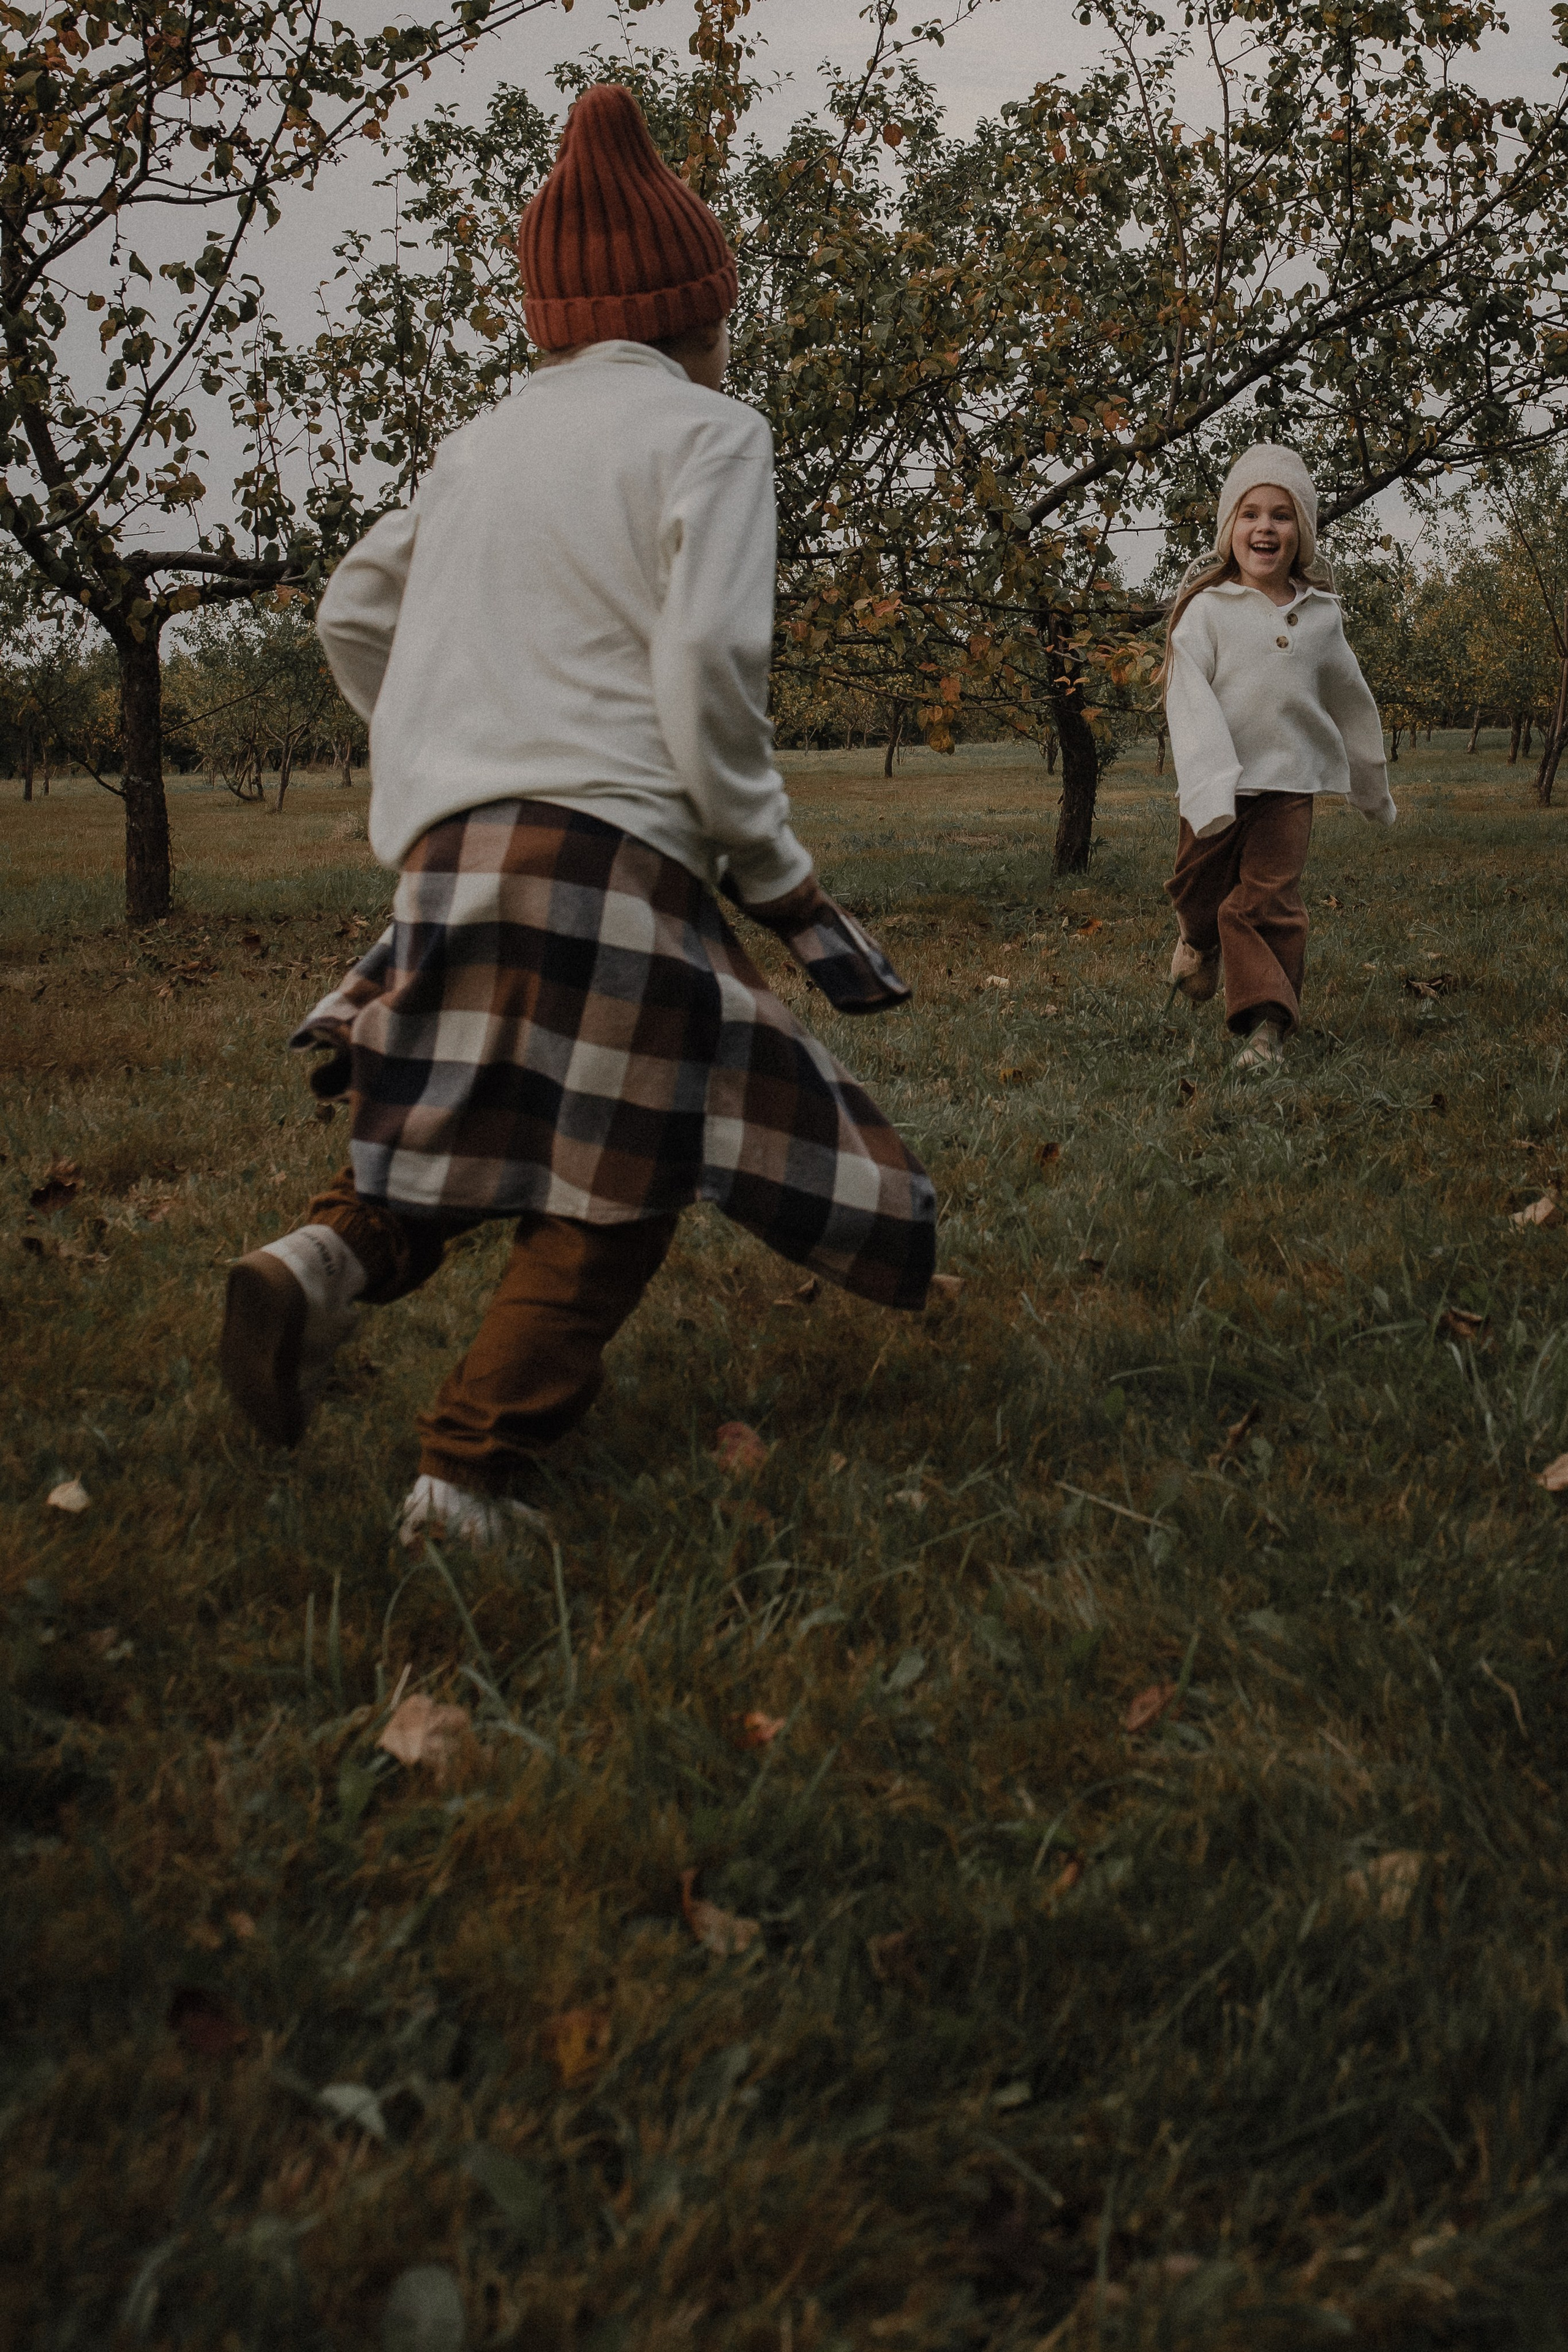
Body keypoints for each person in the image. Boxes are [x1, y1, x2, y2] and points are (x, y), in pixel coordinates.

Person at [217, 83, 936, 1548]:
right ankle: (463, 1477)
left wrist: (448, 737)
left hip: (449, 841)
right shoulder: (710, 432)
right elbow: (707, 662)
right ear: (696, 308)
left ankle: (320, 1257)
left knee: (463, 1112)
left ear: (552, 320)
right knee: (621, 1167)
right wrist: (769, 862)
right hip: (607, 842)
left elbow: (357, 607)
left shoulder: (482, 441)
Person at [1160, 444, 1395, 1071]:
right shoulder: (1205, 613)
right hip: (1216, 787)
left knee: (1264, 904)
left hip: (1288, 786)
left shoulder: (1320, 616)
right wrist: (1209, 784)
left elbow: (1351, 701)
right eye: (1250, 514)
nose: (1265, 527)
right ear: (1229, 528)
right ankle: (1196, 940)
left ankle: (1267, 1027)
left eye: (1282, 515)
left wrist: (1369, 786)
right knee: (1198, 892)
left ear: (1303, 535)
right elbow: (1187, 700)